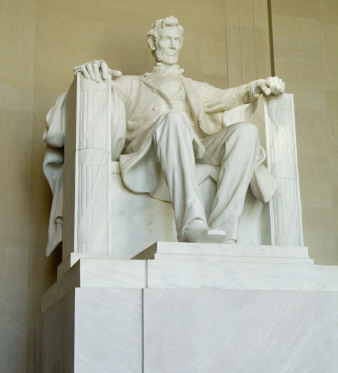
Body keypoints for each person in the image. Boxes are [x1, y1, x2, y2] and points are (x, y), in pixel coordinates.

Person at [45, 16, 285, 250]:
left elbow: (228, 96)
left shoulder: (194, 88)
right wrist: (93, 72)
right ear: (153, 44)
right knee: (173, 119)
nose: (172, 45)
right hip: (149, 152)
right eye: (166, 39)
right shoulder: (131, 84)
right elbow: (96, 97)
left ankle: (225, 230)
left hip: (194, 149)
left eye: (176, 40)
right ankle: (191, 225)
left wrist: (256, 87)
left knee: (247, 132)